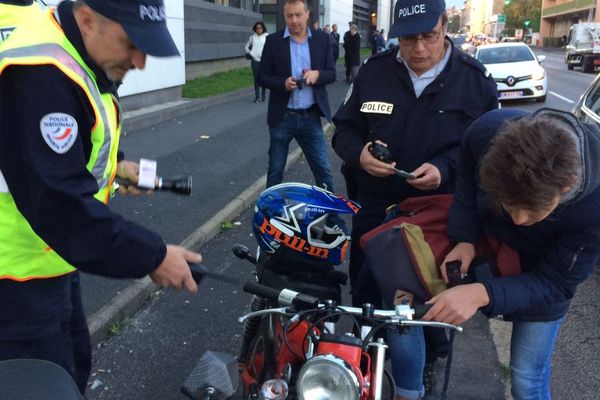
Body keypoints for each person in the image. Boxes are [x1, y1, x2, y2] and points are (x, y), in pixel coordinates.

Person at [0, 0, 201, 395]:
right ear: (87, 19)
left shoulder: (68, 52)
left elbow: (47, 148)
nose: (140, 62)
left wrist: (116, 167)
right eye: (131, 43)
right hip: (15, 284)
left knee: (70, 370)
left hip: (47, 262)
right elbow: (57, 200)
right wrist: (153, 255)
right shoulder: (41, 73)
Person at [331, 0, 498, 398]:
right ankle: (365, 370)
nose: (419, 49)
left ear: (446, 26)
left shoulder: (475, 82)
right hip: (375, 212)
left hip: (437, 218)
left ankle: (422, 372)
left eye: (429, 36)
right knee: (368, 299)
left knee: (425, 311)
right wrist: (359, 155)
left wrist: (445, 168)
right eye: (409, 39)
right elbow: (343, 131)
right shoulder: (374, 73)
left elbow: (492, 151)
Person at [424, 108, 600, 399]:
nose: (518, 218)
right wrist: (464, 237)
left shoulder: (593, 209)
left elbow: (556, 283)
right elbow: (467, 176)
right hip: (498, 244)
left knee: (526, 379)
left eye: (532, 210)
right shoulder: (487, 132)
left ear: (566, 186)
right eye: (508, 204)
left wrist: (483, 293)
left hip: (546, 271)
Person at [257, 0, 337, 194]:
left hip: (310, 117)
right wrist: (282, 83)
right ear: (284, 16)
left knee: (322, 170)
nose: (294, 20)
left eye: (298, 15)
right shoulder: (273, 41)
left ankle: (331, 219)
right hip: (282, 116)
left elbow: (332, 73)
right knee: (275, 171)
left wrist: (317, 75)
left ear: (307, 14)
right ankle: (271, 217)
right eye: (289, 16)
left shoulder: (322, 39)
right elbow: (262, 77)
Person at [245, 21, 268, 103]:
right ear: (255, 29)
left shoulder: (267, 36)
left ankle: (263, 95)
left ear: (263, 28)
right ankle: (257, 97)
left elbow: (270, 48)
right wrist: (251, 53)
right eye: (257, 28)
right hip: (255, 61)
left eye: (260, 28)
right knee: (256, 78)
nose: (259, 30)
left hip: (264, 61)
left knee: (263, 78)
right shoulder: (252, 37)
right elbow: (246, 47)